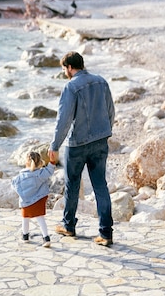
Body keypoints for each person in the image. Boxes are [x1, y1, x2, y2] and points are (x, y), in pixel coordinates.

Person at [48, 51, 115, 246]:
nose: (64, 72)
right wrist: (105, 131)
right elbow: (111, 110)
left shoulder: (71, 87)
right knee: (100, 186)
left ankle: (68, 226)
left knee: (72, 186)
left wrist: (55, 145)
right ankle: (105, 233)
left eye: (64, 69)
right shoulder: (101, 82)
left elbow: (64, 120)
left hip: (77, 145)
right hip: (100, 141)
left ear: (69, 67)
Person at [11, 150, 55, 248]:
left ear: (26, 162)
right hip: (39, 201)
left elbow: (13, 184)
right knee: (40, 219)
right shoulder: (40, 174)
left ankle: (25, 236)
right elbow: (50, 171)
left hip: (26, 202)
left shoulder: (19, 177)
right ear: (40, 162)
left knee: (25, 219)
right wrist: (52, 161)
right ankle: (46, 238)